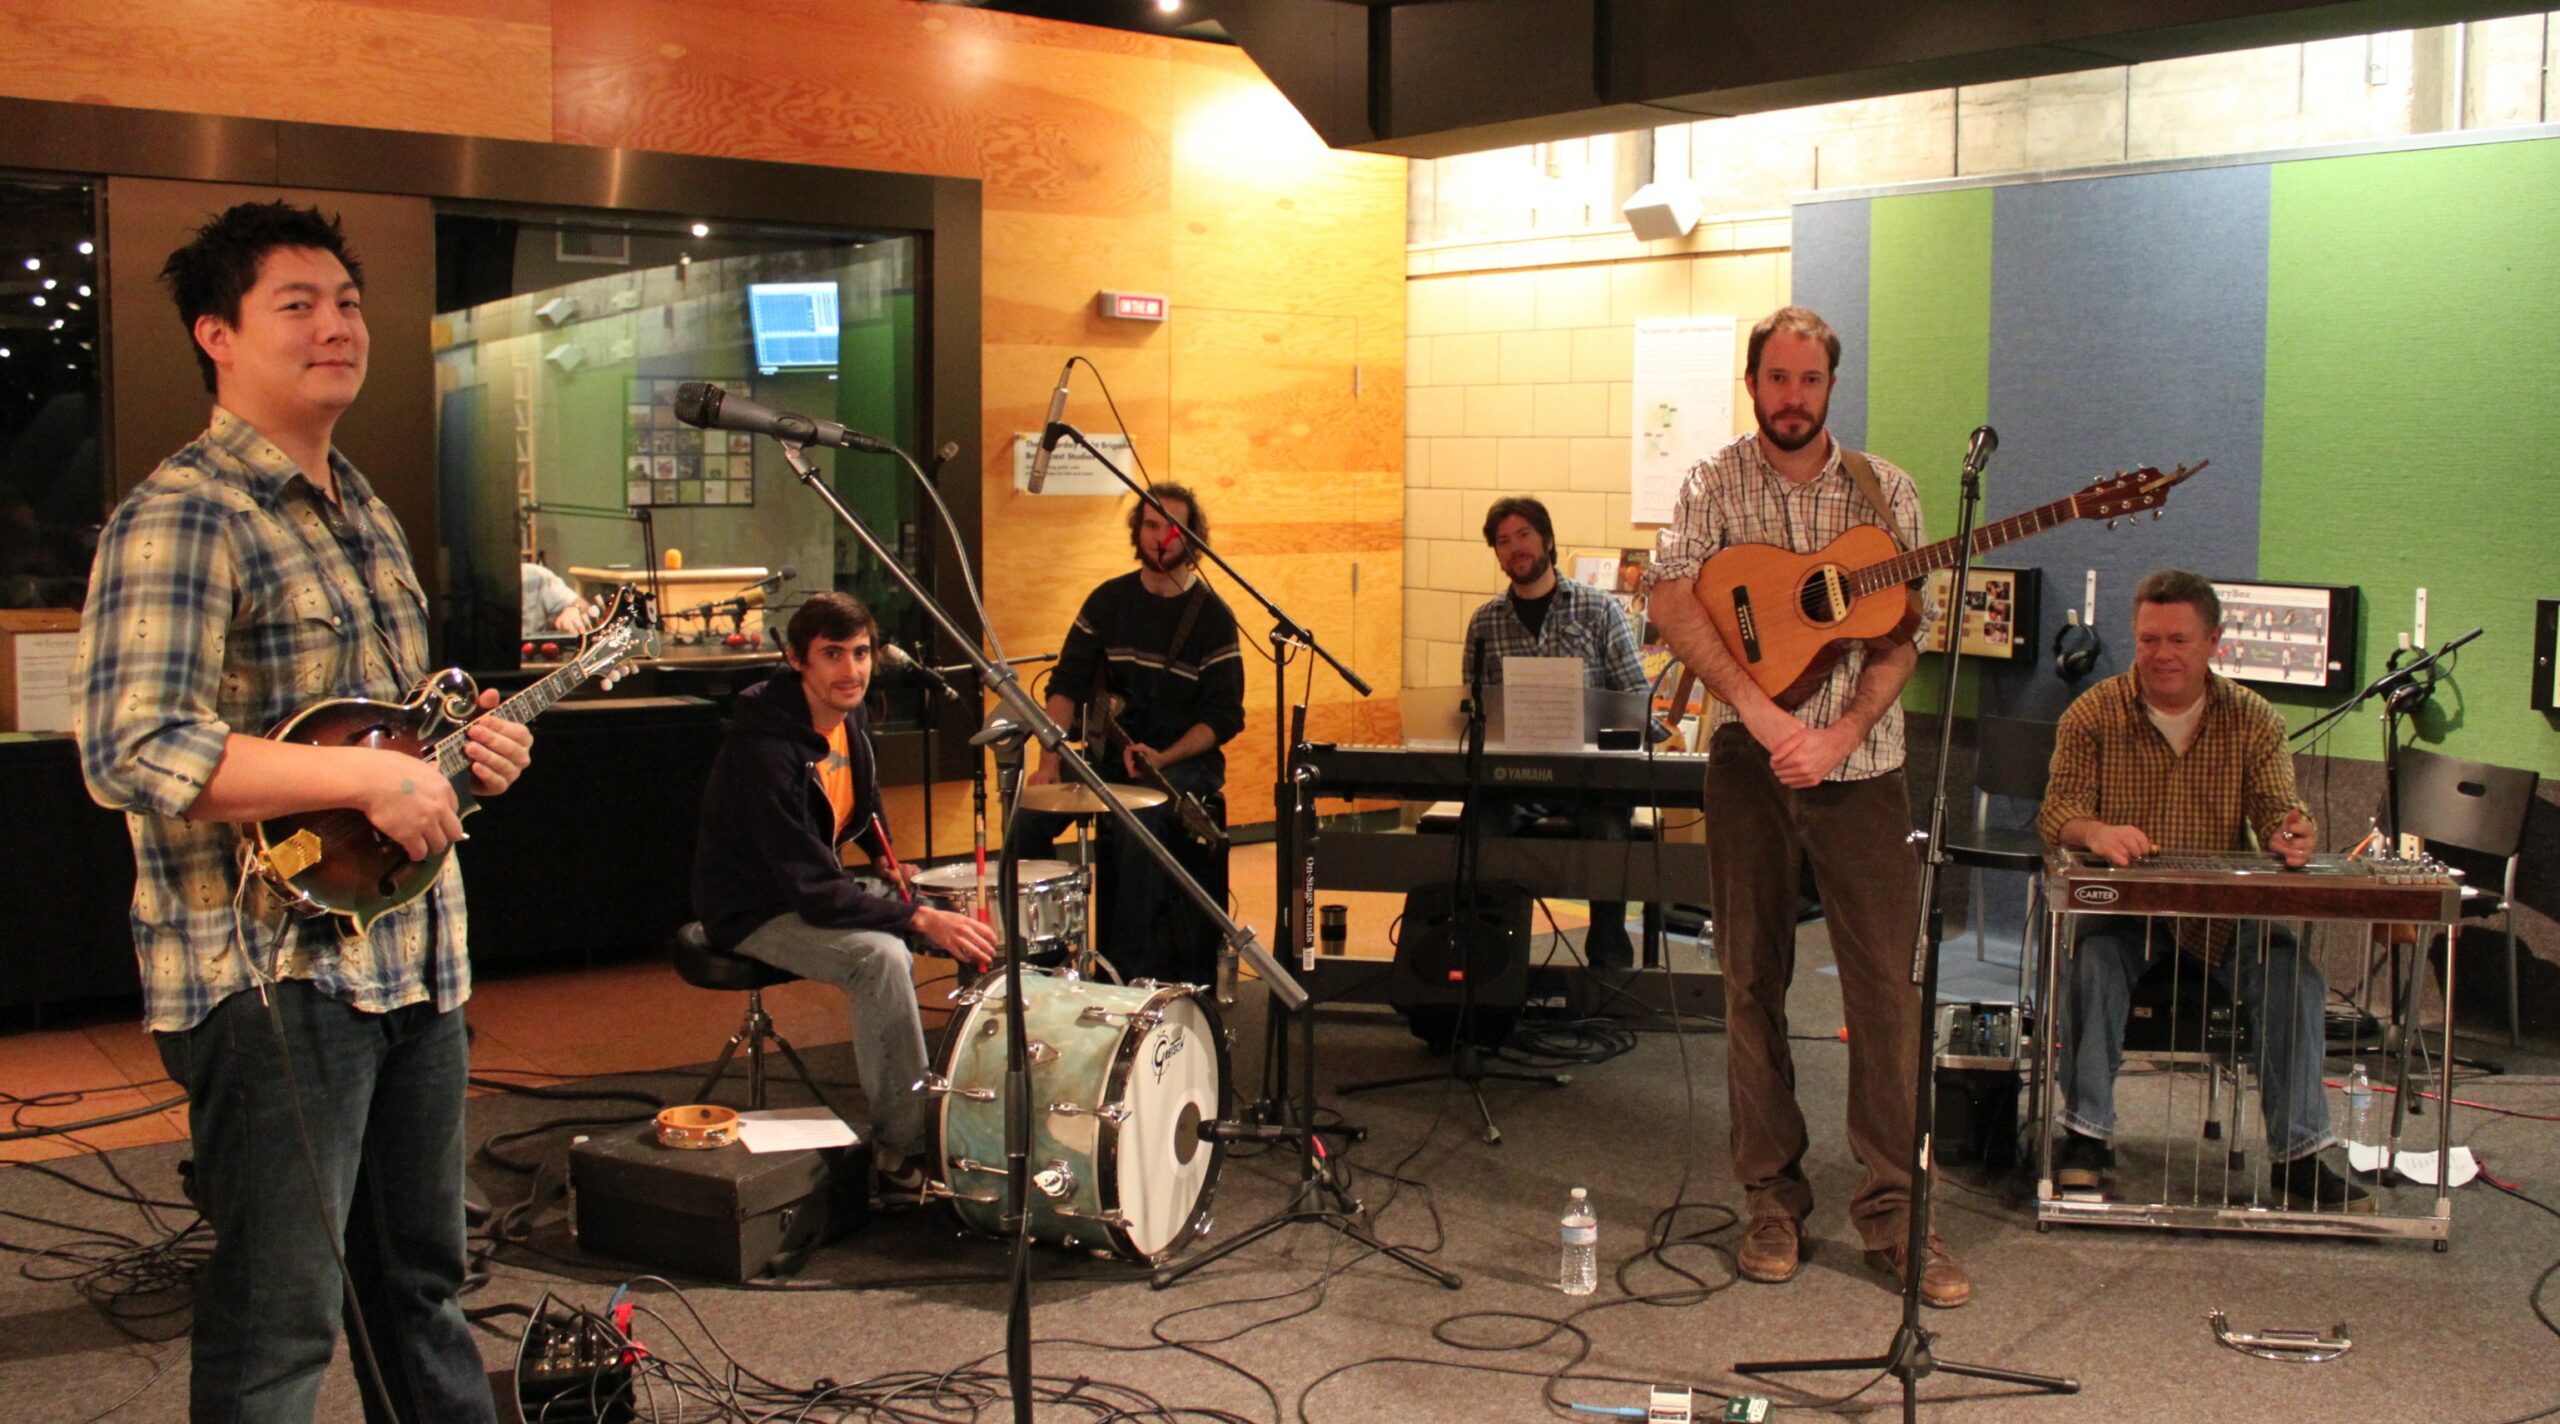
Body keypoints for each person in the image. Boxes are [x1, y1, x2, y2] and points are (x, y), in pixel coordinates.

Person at [78, 202, 534, 1422]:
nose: (336, 325)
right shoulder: (186, 513)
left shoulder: (369, 513)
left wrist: (460, 755)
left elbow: (384, 740)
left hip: (417, 963)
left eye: (347, 302)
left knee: (423, 1290)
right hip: (272, 978)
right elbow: (132, 744)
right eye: (297, 304)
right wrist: (364, 779)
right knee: (280, 1319)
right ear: (215, 334)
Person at [1640, 305, 1969, 1307]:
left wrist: (1830, 736)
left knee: (1885, 995)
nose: (1792, 397)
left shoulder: (1889, 494)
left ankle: (1895, 1210)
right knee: (1751, 983)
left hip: (1862, 770)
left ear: (1831, 386)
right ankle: (1770, 1198)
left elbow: (1901, 642)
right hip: (1745, 763)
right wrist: (1756, 711)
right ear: (1752, 384)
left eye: (1809, 381)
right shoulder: (1712, 484)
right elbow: (1667, 593)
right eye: (1776, 379)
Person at [2038, 569, 2367, 1212]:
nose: (2162, 654)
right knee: (2095, 962)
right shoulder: (2093, 713)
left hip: (2224, 915)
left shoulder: (2254, 719)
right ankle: (2085, 1137)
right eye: (2149, 639)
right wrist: (2097, 831)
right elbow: (2058, 812)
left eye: (2179, 640)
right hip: (2133, 913)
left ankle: (2301, 1158)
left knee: (2291, 975)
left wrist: (2292, 833)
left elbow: (2280, 809)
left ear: (2214, 640)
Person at [692, 591, 999, 1194]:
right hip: (754, 907)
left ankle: (976, 1113)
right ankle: (903, 1147)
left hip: (811, 884)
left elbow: (861, 806)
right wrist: (913, 920)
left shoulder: (849, 714)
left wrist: (895, 871)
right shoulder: (765, 751)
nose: (852, 670)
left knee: (964, 915)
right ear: (796, 659)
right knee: (881, 958)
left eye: (861, 652)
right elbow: (811, 891)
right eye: (833, 654)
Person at [1017, 484, 1245, 986]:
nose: (1159, 537)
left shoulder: (1212, 618)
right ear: (1136, 533)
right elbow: (1066, 687)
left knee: (1139, 823)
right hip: (1108, 753)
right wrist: (1049, 760)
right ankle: (1034, 965)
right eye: (1149, 524)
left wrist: (1165, 756)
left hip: (1180, 760)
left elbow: (1224, 715)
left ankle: (1121, 975)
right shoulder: (1107, 601)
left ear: (1192, 537)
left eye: (1171, 527)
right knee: (1028, 818)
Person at [1460, 495, 1649, 967]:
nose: (1515, 548)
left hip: (1588, 777)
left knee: (1609, 830)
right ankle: (1494, 963)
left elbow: (1635, 698)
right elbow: (1472, 707)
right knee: (1478, 828)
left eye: (1524, 535)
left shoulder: (1599, 609)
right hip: (1515, 778)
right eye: (1503, 542)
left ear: (1546, 540)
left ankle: (1608, 963)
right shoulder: (1485, 622)